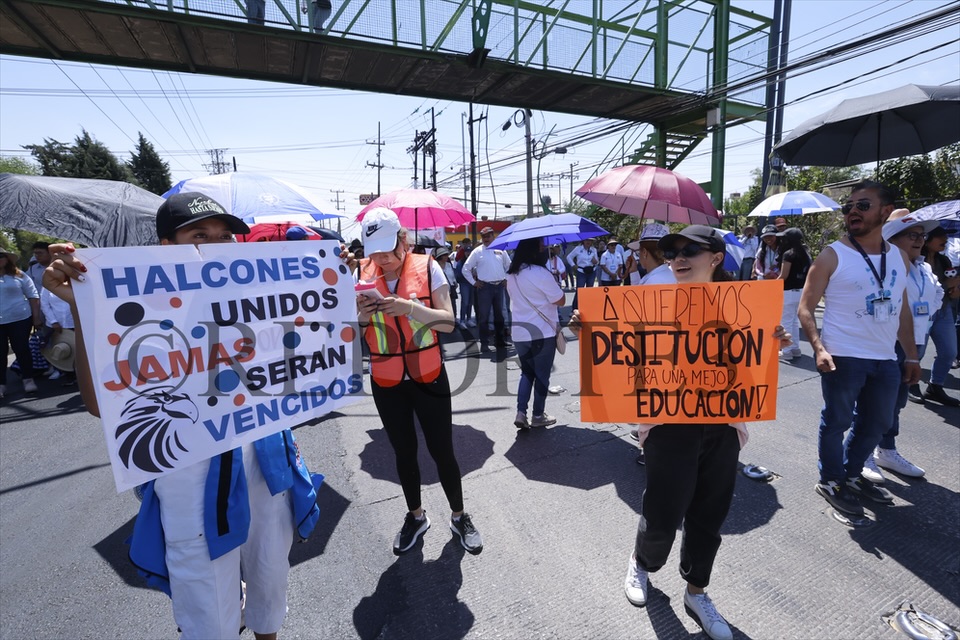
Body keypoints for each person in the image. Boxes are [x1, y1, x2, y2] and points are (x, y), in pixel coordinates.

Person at [42, 193, 323, 640]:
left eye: (225, 236)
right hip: (191, 475)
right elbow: (101, 404)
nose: (216, 245)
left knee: (271, 573)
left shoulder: (261, 295)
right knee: (207, 603)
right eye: (199, 235)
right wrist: (82, 302)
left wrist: (334, 281)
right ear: (166, 246)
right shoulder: (141, 311)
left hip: (267, 459)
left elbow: (313, 355)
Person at [571, 225, 791, 640]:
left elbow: (750, 367)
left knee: (710, 515)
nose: (678, 258)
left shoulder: (744, 305)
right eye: (671, 252)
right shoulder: (650, 303)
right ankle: (642, 565)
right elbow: (620, 353)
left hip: (722, 426)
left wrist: (772, 342)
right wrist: (590, 329)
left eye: (691, 250)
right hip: (669, 424)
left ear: (716, 258)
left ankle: (697, 591)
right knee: (663, 512)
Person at [356, 207, 483, 556]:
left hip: (428, 376)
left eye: (387, 250)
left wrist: (410, 309)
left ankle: (459, 515)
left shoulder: (429, 267)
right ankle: (416, 515)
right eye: (374, 252)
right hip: (386, 379)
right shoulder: (362, 273)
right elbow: (354, 335)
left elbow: (447, 322)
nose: (382, 259)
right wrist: (363, 318)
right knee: (403, 452)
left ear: (403, 239)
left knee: (443, 450)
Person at [798, 180, 921, 518]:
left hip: (885, 358)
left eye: (862, 205)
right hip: (843, 356)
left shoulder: (899, 257)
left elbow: (902, 308)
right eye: (848, 207)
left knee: (877, 422)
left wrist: (910, 354)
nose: (852, 211)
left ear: (884, 211)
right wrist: (819, 347)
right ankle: (831, 480)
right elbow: (805, 308)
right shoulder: (831, 255)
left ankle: (853, 474)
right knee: (836, 421)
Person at [861, 211, 942, 483]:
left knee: (896, 402)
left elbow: (937, 294)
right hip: (886, 343)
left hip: (915, 343)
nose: (919, 241)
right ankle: (862, 455)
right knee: (873, 402)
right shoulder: (882, 266)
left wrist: (925, 315)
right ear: (891, 238)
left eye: (922, 236)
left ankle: (887, 450)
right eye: (912, 235)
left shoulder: (925, 267)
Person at [505, 238, 565, 430]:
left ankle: (520, 412)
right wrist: (553, 281)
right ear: (533, 251)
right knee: (542, 376)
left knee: (527, 373)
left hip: (520, 333)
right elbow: (561, 300)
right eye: (541, 247)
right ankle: (538, 415)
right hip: (542, 333)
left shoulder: (511, 275)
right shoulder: (541, 273)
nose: (544, 250)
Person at [917, 227, 959, 406]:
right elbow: (919, 287)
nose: (945, 239)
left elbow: (950, 291)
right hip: (922, 312)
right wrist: (946, 283)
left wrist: (954, 289)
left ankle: (935, 386)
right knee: (917, 352)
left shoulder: (944, 260)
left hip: (943, 310)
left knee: (950, 351)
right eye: (940, 236)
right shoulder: (916, 259)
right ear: (927, 239)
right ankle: (910, 385)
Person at [462, 226, 511, 352]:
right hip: (485, 287)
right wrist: (474, 283)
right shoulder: (477, 251)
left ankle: (500, 341)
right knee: (483, 317)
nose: (486, 239)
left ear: (493, 236)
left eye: (488, 236)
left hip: (499, 286)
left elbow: (509, 266)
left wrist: (506, 278)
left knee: (499, 316)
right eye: (484, 237)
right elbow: (465, 269)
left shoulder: (501, 250)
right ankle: (484, 344)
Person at [0, 249, 41, 397]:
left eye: (2, 256)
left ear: (7, 259)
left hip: (20, 318)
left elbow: (33, 295)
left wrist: (36, 317)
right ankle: (1, 384)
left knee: (22, 349)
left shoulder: (20, 275)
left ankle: (28, 379)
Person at [776, 228, 811, 361]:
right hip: (801, 291)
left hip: (788, 291)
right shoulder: (806, 253)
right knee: (795, 321)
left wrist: (772, 286)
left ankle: (787, 351)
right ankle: (795, 348)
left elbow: (783, 276)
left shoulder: (788, 254)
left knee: (785, 321)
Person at [568, 238, 599, 309]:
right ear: (583, 241)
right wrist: (573, 265)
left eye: (590, 241)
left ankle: (587, 308)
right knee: (579, 290)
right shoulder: (578, 249)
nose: (588, 242)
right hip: (582, 271)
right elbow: (569, 257)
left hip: (591, 271)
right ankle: (575, 308)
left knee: (589, 290)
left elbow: (597, 261)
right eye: (586, 240)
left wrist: (595, 261)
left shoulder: (593, 250)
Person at [435, 246, 459, 325]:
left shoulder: (449, 265)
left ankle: (453, 321)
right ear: (440, 256)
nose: (446, 257)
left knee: (453, 306)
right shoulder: (435, 266)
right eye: (444, 255)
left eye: (446, 255)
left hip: (451, 289)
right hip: (441, 290)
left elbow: (452, 275)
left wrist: (455, 282)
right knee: (442, 307)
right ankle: (444, 323)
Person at [454, 237, 475, 327]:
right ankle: (462, 320)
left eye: (470, 252)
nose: (468, 253)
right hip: (464, 284)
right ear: (464, 252)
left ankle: (469, 319)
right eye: (467, 251)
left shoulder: (473, 262)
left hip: (472, 284)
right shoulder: (460, 262)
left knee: (470, 302)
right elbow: (458, 275)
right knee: (465, 302)